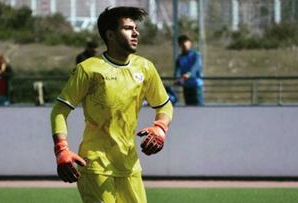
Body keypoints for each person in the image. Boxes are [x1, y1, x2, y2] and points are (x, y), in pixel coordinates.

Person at [50, 7, 173, 203]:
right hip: (95, 164)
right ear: (110, 35)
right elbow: (59, 110)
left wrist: (160, 128)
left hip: (129, 164)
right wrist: (61, 149)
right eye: (127, 28)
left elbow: (165, 106)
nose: (136, 32)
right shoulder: (88, 69)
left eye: (135, 28)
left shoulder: (145, 68)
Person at [174, 34, 204, 106]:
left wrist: (189, 74)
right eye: (182, 42)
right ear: (180, 45)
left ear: (190, 43)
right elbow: (177, 71)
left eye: (186, 41)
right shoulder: (179, 58)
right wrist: (177, 79)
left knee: (199, 109)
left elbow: (195, 68)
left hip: (196, 87)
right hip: (186, 87)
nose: (184, 44)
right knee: (189, 109)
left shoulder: (196, 55)